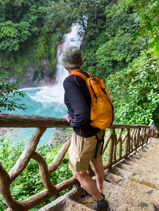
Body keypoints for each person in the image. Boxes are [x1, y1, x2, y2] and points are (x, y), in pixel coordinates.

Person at [60, 45, 110, 211]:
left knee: (79, 173)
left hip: (85, 135)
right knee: (96, 162)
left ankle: (101, 203)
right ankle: (100, 190)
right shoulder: (87, 75)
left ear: (65, 63)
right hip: (98, 131)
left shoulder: (70, 81)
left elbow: (82, 112)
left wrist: (71, 121)